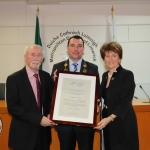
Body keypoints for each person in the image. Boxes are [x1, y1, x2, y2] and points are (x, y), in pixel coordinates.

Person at [51, 35, 99, 150]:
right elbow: (51, 92)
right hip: (64, 124)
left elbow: (98, 92)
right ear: (67, 48)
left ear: (83, 49)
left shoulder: (93, 68)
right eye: (72, 45)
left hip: (85, 124)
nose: (76, 49)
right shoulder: (57, 67)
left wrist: (96, 103)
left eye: (79, 46)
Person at [6, 44, 56, 150]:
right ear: (25, 57)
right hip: (23, 136)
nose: (36, 58)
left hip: (43, 135)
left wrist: (51, 113)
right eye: (33, 55)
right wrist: (38, 119)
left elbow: (51, 100)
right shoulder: (14, 79)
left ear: (42, 59)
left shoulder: (46, 77)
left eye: (39, 55)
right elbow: (13, 107)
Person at [95, 42, 139, 150]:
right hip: (107, 122)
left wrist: (109, 118)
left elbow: (125, 101)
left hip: (122, 121)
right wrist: (96, 103)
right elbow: (102, 96)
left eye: (114, 55)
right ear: (103, 59)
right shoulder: (105, 76)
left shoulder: (127, 75)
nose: (110, 59)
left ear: (120, 58)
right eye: (107, 56)